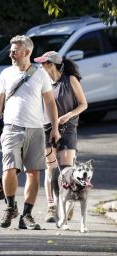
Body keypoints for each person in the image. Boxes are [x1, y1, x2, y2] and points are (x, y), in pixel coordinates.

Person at [0, 36, 60, 230]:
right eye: (11, 50)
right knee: (9, 169)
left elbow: (50, 103)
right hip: (11, 128)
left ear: (27, 52)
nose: (11, 53)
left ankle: (26, 215)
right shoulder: (5, 73)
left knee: (33, 174)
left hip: (36, 129)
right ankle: (10, 207)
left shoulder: (40, 74)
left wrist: (54, 128)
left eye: (15, 50)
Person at [34, 51, 88, 222]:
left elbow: (83, 104)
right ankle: (51, 207)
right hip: (47, 128)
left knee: (66, 171)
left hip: (68, 128)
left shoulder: (70, 79)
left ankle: (67, 206)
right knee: (50, 169)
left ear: (51, 64)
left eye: (43, 63)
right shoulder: (41, 81)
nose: (39, 66)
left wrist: (68, 115)